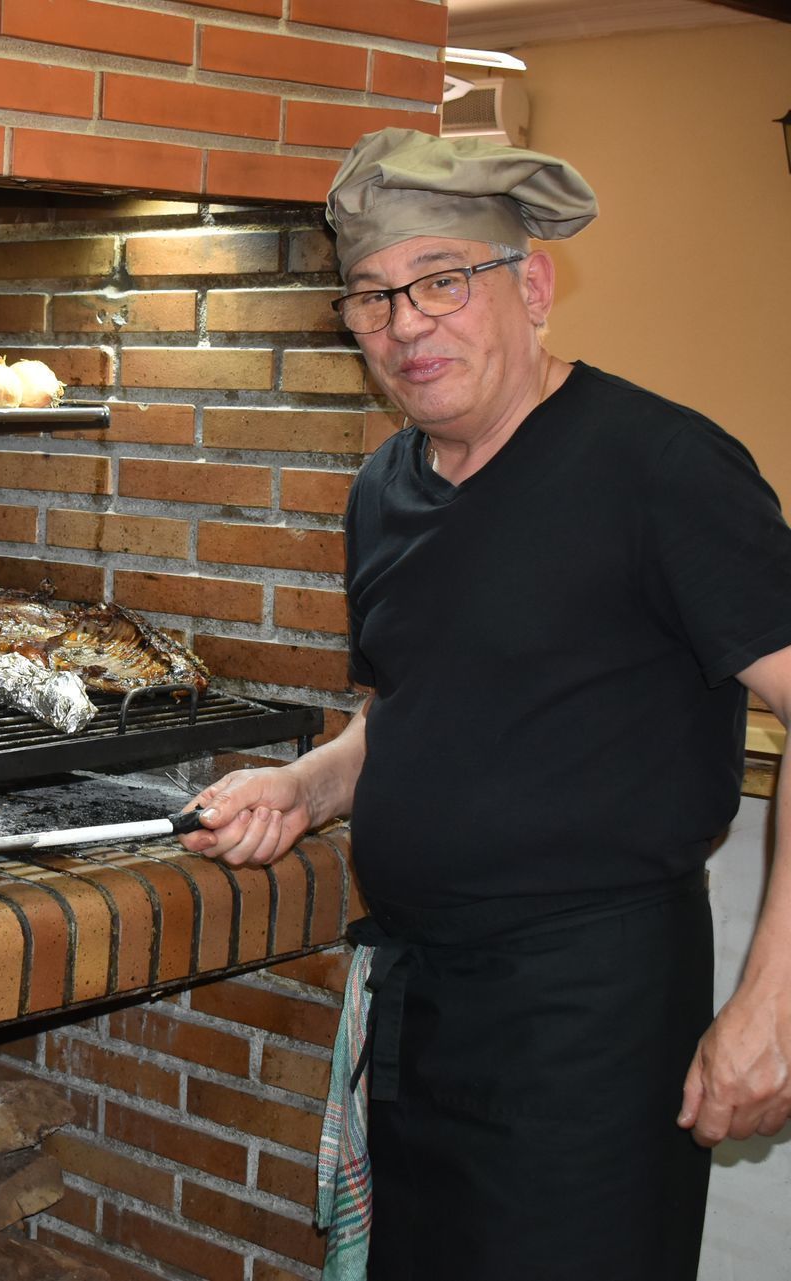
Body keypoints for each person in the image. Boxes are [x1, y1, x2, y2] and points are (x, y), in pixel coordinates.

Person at [178, 127, 791, 1280]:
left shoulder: (659, 465)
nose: (407, 325)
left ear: (535, 286)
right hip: (423, 1007)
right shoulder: (385, 486)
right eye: (371, 299)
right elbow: (417, 707)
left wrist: (774, 1005)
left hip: (590, 1020)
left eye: (443, 282)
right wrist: (308, 785)